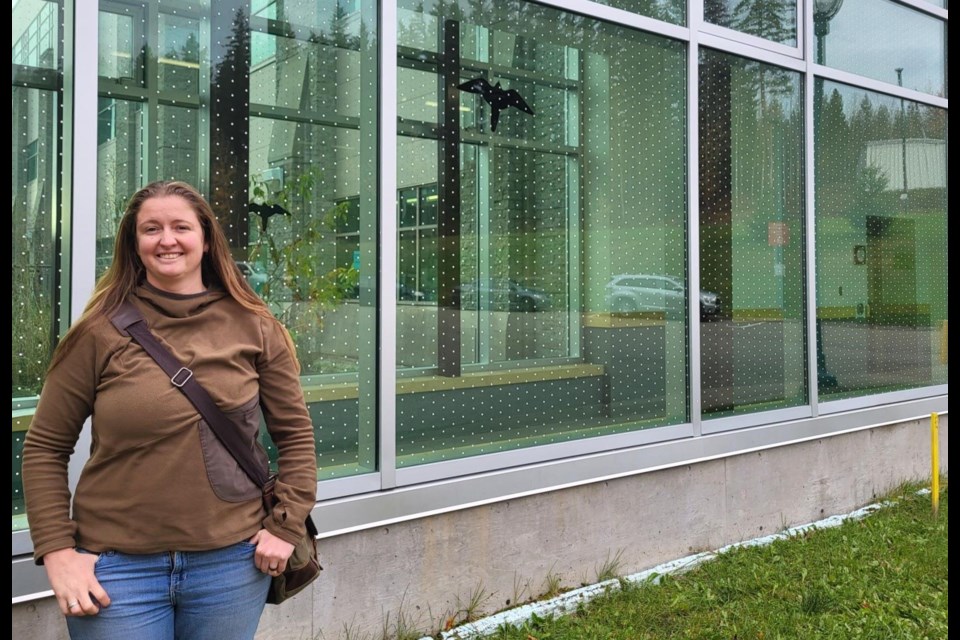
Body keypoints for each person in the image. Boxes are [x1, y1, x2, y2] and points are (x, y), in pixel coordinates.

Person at [21, 180, 318, 640]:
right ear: (134, 244)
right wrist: (58, 552)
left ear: (204, 237)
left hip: (230, 566)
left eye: (181, 226)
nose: (167, 240)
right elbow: (45, 448)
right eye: (151, 229)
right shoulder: (98, 333)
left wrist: (286, 525)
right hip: (115, 569)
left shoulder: (255, 326)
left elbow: (295, 437)